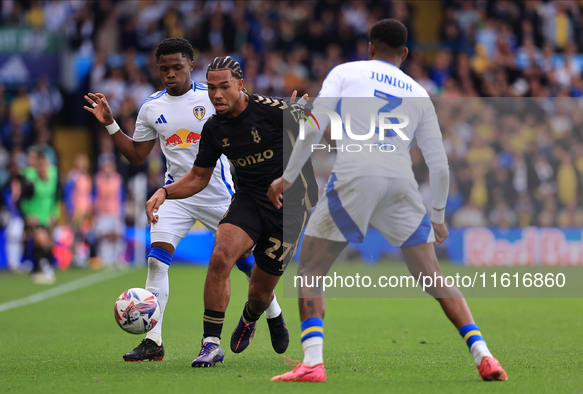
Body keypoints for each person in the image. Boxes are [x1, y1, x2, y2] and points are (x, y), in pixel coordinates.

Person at [267, 19, 507, 382]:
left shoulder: (346, 72)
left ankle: (313, 363)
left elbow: (315, 123)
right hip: (400, 183)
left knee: (311, 269)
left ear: (370, 47)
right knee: (433, 277)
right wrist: (438, 217)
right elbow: (438, 164)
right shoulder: (419, 92)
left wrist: (287, 177)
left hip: (356, 175)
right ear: (405, 54)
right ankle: (484, 355)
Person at [83, 38, 284, 362]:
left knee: (244, 261)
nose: (170, 74)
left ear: (191, 66)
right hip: (176, 192)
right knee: (156, 259)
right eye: (164, 69)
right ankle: (154, 340)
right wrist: (110, 123)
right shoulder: (152, 107)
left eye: (177, 67)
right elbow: (136, 155)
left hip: (218, 192)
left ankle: (271, 311)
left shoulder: (215, 96)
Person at [145, 56, 318, 367]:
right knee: (221, 255)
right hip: (249, 199)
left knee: (259, 293)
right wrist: (164, 191)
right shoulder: (214, 128)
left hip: (289, 207)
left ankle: (251, 316)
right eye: (211, 88)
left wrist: (303, 122)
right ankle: (210, 344)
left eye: (224, 87)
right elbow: (198, 177)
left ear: (241, 85)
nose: (216, 95)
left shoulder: (273, 110)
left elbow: (314, 135)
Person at [20, 147, 60, 285]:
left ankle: (37, 269)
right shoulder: (30, 180)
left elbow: (56, 197)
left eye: (45, 165)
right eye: (40, 166)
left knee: (48, 243)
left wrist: (54, 213)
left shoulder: (54, 176)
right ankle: (45, 267)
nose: (43, 169)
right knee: (41, 240)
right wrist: (28, 215)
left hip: (47, 216)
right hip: (34, 217)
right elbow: (21, 200)